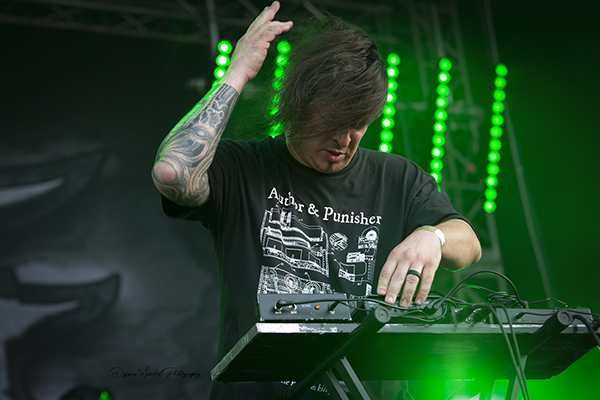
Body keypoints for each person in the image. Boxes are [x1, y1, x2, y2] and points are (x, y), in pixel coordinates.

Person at [152, 2, 482, 399]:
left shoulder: (397, 177)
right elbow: (172, 174)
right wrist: (236, 73)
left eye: (357, 124)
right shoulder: (244, 168)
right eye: (331, 123)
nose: (343, 140)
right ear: (297, 107)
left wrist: (434, 236)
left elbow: (469, 244)